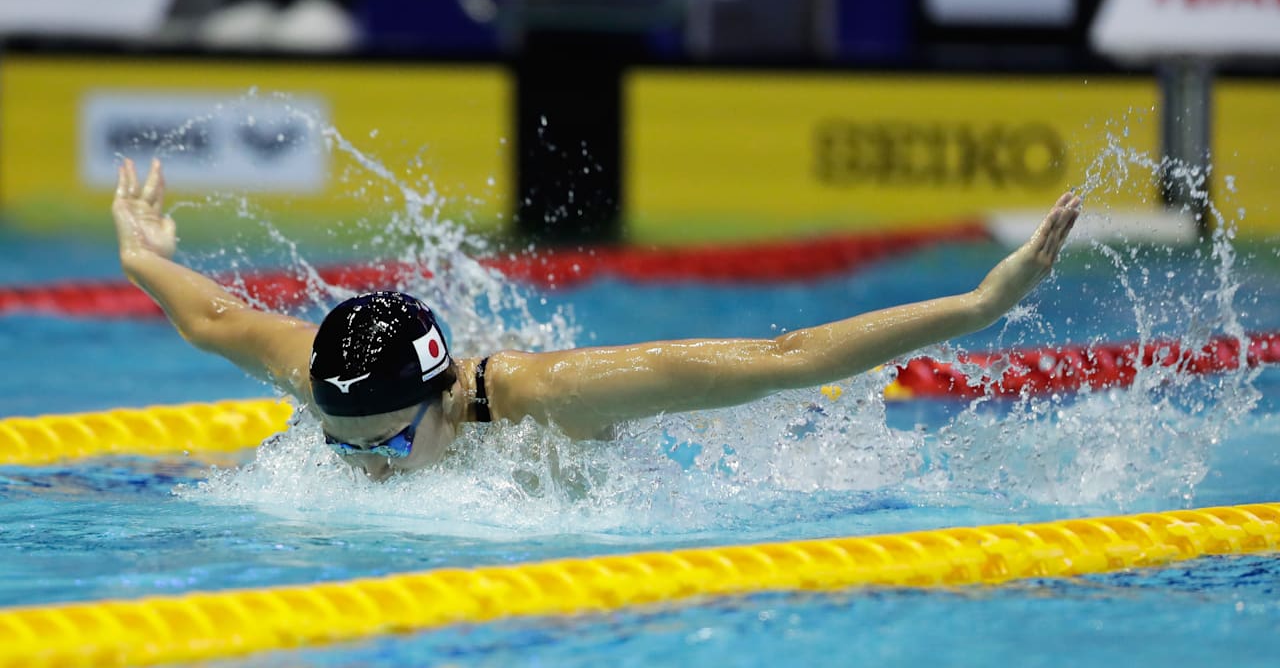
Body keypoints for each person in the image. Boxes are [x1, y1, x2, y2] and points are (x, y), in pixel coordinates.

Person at [113, 158, 1081, 480]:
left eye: (388, 449)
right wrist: (141, 253)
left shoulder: (544, 400)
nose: (365, 470)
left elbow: (779, 357)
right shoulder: (340, 381)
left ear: (443, 397)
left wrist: (976, 303)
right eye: (341, 448)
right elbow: (218, 319)